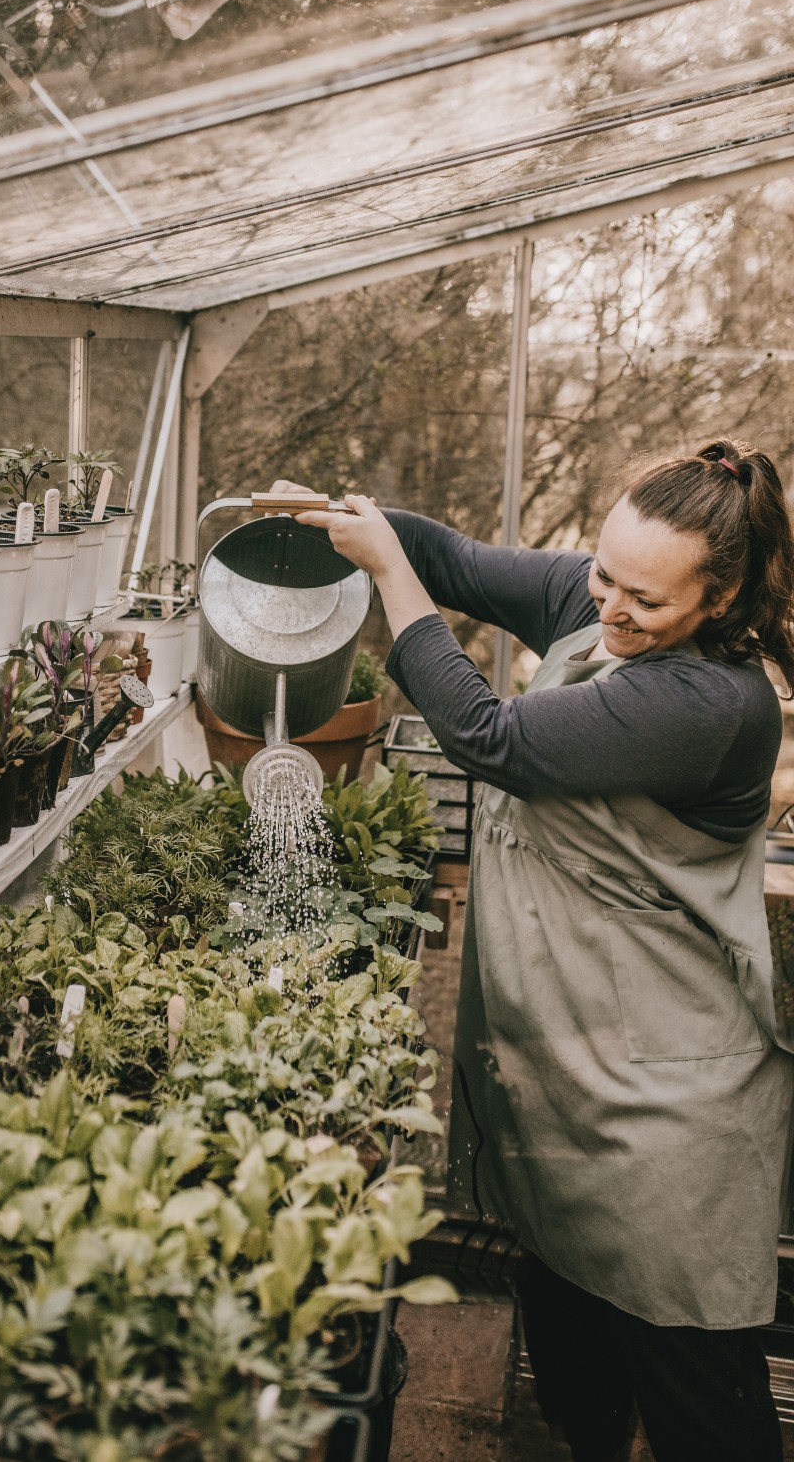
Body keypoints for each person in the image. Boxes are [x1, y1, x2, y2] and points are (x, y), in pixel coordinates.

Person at [280, 438, 794, 1462]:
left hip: (662, 1115)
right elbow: (460, 563)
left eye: (645, 600)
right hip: (568, 1074)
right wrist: (349, 521)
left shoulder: (708, 701)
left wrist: (387, 574)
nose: (609, 609)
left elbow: (491, 736)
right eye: (603, 575)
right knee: (575, 1375)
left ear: (721, 597)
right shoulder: (605, 606)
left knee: (702, 1409)